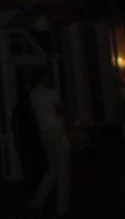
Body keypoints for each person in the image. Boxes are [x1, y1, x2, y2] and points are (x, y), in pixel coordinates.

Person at [28, 67, 71, 216]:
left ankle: (38, 200)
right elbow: (59, 111)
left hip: (44, 132)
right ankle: (62, 207)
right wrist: (67, 124)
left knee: (52, 169)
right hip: (57, 131)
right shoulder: (51, 93)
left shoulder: (33, 94)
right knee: (63, 170)